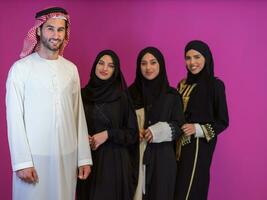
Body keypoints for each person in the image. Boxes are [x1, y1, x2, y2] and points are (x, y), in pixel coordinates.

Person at [6, 7, 92, 200]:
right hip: (34, 159)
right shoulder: (21, 69)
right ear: (38, 30)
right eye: (50, 28)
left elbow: (78, 116)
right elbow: (14, 118)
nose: (56, 35)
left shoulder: (71, 69)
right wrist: (22, 162)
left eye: (60, 30)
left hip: (67, 156)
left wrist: (84, 158)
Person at [76, 50, 138, 200]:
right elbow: (73, 125)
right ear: (94, 66)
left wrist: (108, 134)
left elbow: (132, 134)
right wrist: (83, 137)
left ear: (115, 71)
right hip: (87, 160)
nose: (104, 68)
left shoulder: (121, 97)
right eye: (101, 63)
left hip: (114, 163)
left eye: (110, 66)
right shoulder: (82, 95)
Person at [175, 40, 229, 200]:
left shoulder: (215, 85)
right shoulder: (182, 84)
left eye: (197, 57)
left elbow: (223, 121)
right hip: (177, 145)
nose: (192, 62)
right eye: (188, 58)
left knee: (189, 190)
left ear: (206, 58)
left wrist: (197, 129)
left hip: (199, 146)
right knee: (175, 187)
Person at [129, 47, 185, 200]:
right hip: (134, 158)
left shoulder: (172, 96)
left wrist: (158, 130)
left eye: (153, 63)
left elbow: (179, 126)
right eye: (143, 63)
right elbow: (121, 124)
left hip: (163, 161)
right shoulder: (130, 94)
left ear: (161, 65)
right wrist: (135, 132)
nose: (148, 68)